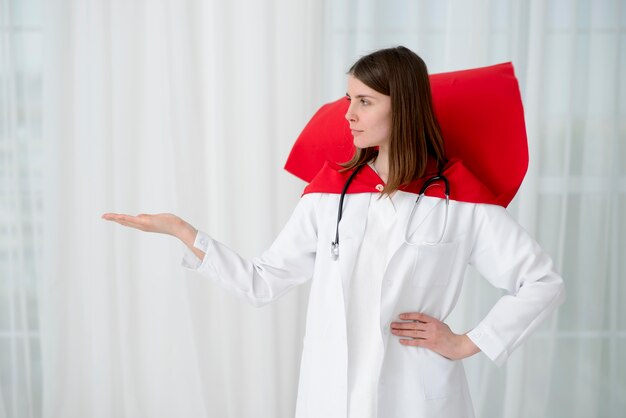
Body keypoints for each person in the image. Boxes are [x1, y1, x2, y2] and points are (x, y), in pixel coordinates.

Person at [102, 46, 565, 418]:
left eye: (364, 101)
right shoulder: (329, 195)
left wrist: (465, 342)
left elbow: (542, 282)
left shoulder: (459, 199)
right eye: (349, 100)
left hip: (416, 397)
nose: (349, 114)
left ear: (402, 106)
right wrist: (183, 232)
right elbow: (263, 282)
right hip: (333, 395)